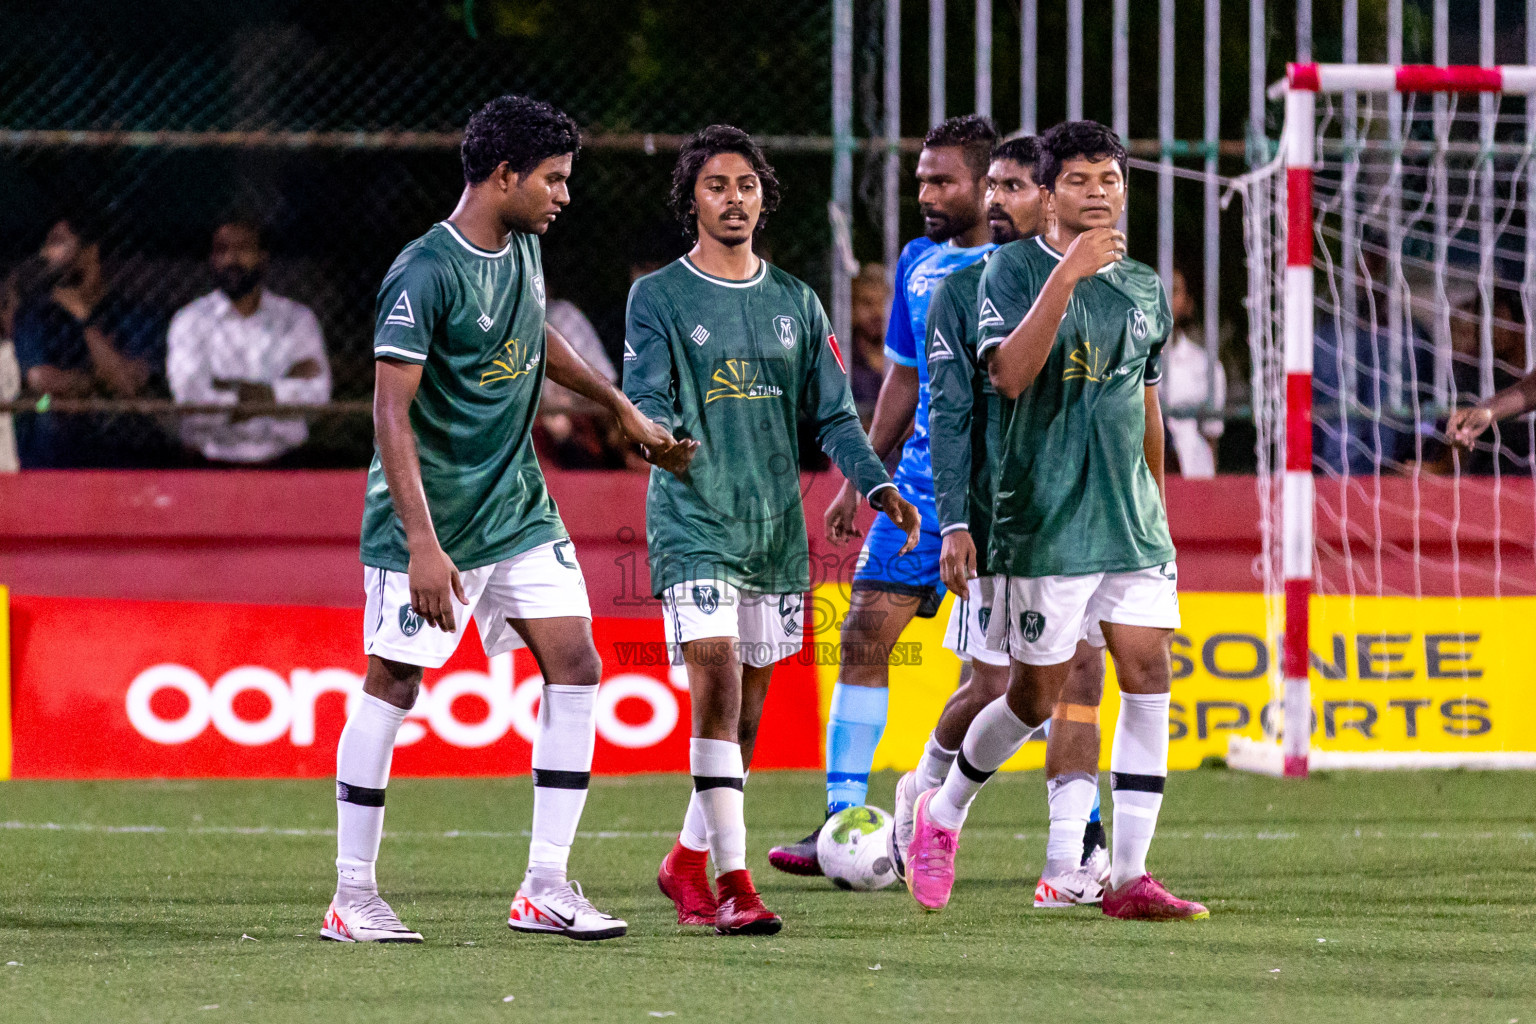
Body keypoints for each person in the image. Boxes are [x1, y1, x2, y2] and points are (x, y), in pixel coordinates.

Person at [325, 95, 677, 945]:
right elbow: (389, 415)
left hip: (517, 504)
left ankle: (546, 885)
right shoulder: (424, 271)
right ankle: (352, 895)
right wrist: (420, 543)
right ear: (504, 175)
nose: (563, 196)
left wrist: (616, 407)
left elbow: (536, 338)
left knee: (578, 664)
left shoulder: (522, 247)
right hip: (432, 518)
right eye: (552, 180)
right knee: (395, 682)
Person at [904, 120, 1207, 922]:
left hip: (1129, 524)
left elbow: (1144, 403)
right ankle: (944, 810)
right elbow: (1006, 376)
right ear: (1049, 194)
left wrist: (1160, 508)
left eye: (1112, 179)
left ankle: (1131, 877)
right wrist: (1066, 277)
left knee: (1149, 676)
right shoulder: (1003, 273)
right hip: (1041, 523)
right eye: (1081, 180)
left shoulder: (1142, 286)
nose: (1100, 193)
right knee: (1032, 697)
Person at [628, 125, 919, 936]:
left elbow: (834, 414)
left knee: (748, 716)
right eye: (716, 185)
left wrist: (879, 484)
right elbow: (644, 394)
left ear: (764, 198)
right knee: (715, 690)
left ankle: (685, 861)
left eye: (746, 185)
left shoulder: (796, 300)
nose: (733, 199)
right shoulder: (659, 297)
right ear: (692, 197)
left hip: (772, 536)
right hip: (693, 522)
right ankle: (733, 883)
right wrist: (656, 434)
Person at [768, 114, 1003, 875]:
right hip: (920, 487)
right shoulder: (916, 261)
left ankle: (1074, 829)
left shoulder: (1022, 261)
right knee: (865, 634)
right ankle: (845, 822)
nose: (927, 193)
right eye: (921, 180)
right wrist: (861, 475)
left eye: (943, 180)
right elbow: (903, 376)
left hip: (1003, 496)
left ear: (984, 181)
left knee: (1021, 673)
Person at [909, 133, 1110, 908]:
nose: (996, 201)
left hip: (1088, 515)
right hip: (1004, 520)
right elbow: (951, 413)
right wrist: (954, 522)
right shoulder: (961, 291)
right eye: (990, 186)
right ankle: (926, 795)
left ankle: (1068, 860)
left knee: (1083, 675)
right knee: (994, 684)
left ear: (1051, 197)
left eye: (1015, 186)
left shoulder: (1102, 282)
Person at [166, 219, 331, 464]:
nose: (232, 259)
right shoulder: (190, 320)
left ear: (263, 257)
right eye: (222, 250)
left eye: (243, 248)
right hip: (210, 462)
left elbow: (318, 394)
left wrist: (228, 389)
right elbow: (190, 399)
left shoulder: (296, 319)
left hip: (285, 461)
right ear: (212, 259)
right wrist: (277, 392)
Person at [12, 217, 169, 467]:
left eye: (57, 243)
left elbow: (129, 384)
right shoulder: (36, 314)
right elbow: (40, 380)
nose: (45, 253)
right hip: (49, 416)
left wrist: (84, 319)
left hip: (122, 433)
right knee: (42, 406)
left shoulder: (135, 314)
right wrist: (100, 383)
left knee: (141, 411)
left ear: (90, 252)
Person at [1446, 287, 1536, 463]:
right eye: (1480, 320)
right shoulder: (1474, 377)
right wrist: (1488, 411)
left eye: (1496, 319)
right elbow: (1530, 391)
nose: (1485, 329)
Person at [1159, 266, 1226, 478]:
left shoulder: (1205, 366)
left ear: (1188, 304)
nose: (1164, 296)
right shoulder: (1125, 361)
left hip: (1192, 477)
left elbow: (1212, 438)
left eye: (1174, 290)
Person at [848, 263, 889, 415]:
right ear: (852, 307)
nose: (877, 312)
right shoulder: (841, 361)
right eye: (867, 303)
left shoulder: (910, 359)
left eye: (883, 303)